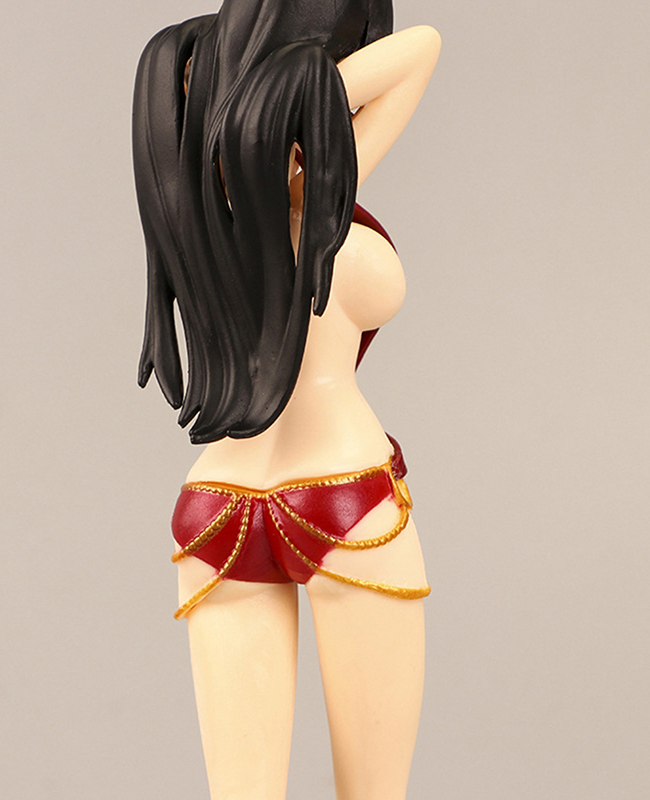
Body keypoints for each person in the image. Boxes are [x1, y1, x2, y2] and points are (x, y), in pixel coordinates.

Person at [132, 1, 441, 797]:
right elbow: (422, 49)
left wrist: (238, 95)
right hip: (342, 494)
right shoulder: (323, 229)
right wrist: (288, 95)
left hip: (218, 498)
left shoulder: (202, 226)